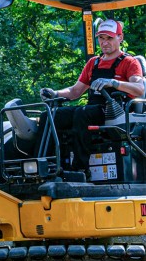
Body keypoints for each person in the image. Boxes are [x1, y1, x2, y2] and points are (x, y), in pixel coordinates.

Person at [38, 19, 144, 171]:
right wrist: (54, 93)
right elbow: (75, 91)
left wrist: (113, 83)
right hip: (92, 110)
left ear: (120, 37)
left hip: (113, 112)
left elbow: (139, 88)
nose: (104, 42)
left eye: (109, 38)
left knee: (82, 113)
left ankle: (80, 168)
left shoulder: (129, 62)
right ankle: (44, 164)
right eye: (101, 38)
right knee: (49, 115)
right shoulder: (93, 63)